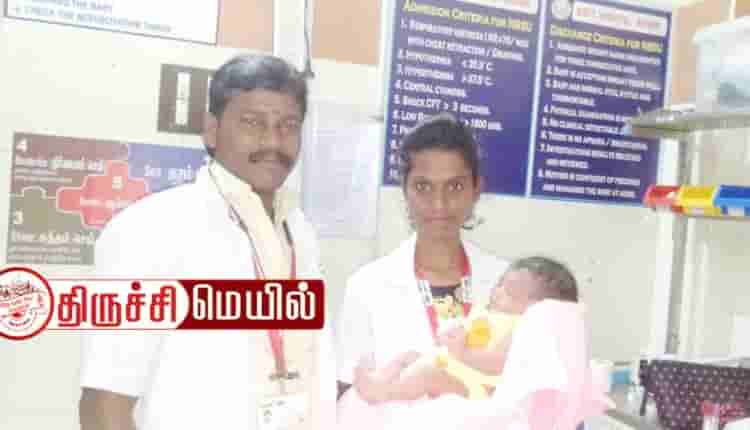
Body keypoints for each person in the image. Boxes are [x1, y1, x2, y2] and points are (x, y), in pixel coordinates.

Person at [78, 54, 335, 430]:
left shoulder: (299, 233)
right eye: (253, 122)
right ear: (212, 130)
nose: (273, 141)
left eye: (288, 125)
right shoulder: (151, 229)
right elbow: (104, 406)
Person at [335, 113, 509, 402]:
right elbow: (349, 395)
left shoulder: (508, 284)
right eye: (423, 187)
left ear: (476, 188)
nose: (439, 203)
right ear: (404, 190)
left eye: (455, 186)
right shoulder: (366, 287)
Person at [352, 256, 579, 403]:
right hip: (459, 369)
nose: (497, 292)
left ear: (537, 308)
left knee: (429, 373)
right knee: (409, 356)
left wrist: (462, 353)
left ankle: (387, 393)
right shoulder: (488, 315)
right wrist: (450, 337)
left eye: (510, 293)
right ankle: (380, 380)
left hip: (482, 388)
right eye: (500, 284)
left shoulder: (521, 328)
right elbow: (464, 339)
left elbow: (501, 363)